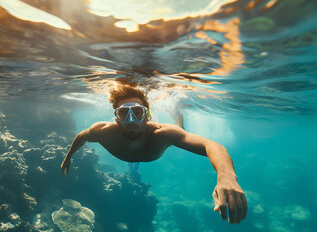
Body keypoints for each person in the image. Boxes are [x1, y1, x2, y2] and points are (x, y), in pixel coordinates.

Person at [61, 84, 247, 224]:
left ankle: (176, 110)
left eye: (138, 112)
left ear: (147, 115)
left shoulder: (162, 134)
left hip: (162, 139)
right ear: (115, 117)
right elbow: (81, 136)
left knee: (178, 129)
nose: (132, 119)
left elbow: (211, 145)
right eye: (124, 113)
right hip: (142, 150)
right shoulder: (101, 131)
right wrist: (68, 158)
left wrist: (227, 177)